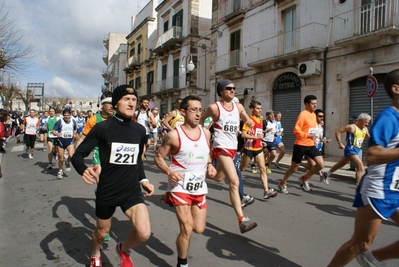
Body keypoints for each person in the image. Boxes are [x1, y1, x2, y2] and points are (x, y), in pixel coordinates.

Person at [71, 84, 154, 267]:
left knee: (144, 232)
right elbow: (78, 154)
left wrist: (144, 179)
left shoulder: (139, 131)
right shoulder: (103, 128)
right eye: (126, 99)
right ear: (116, 103)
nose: (132, 103)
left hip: (131, 190)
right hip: (108, 190)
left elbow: (137, 159)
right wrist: (82, 169)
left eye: (134, 100)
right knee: (101, 233)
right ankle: (95, 252)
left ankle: (123, 249)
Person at [327, 69, 399, 267]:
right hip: (379, 188)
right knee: (360, 243)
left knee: (363, 246)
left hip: (395, 188)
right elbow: (373, 155)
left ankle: (373, 258)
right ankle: (368, 255)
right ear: (396, 89)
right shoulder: (389, 118)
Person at [155, 95, 216, 267]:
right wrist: (168, 170)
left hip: (199, 187)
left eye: (200, 110)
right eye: (193, 110)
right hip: (180, 186)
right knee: (187, 229)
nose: (198, 114)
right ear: (183, 112)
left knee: (199, 228)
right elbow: (159, 158)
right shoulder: (174, 136)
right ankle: (182, 263)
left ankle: (167, 198)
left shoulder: (206, 133)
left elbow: (206, 152)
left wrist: (210, 164)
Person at [200, 79, 257, 234]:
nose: (232, 90)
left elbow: (247, 119)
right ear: (221, 92)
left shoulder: (238, 107)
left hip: (233, 149)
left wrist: (250, 123)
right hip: (221, 147)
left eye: (233, 88)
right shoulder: (214, 107)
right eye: (229, 88)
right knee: (234, 181)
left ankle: (194, 172)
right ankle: (242, 220)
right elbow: (200, 121)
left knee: (218, 178)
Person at [278, 95, 324, 194]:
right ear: (306, 104)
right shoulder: (303, 114)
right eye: (313, 104)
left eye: (316, 103)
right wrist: (307, 135)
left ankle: (304, 178)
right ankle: (282, 183)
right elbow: (296, 130)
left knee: (320, 164)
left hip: (311, 145)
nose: (315, 105)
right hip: (300, 145)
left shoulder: (313, 115)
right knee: (294, 168)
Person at [240, 101, 278, 199]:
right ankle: (233, 175)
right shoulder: (249, 120)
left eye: (260, 108)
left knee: (262, 169)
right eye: (257, 108)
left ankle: (266, 191)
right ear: (252, 109)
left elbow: (258, 133)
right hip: (249, 148)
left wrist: (261, 141)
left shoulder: (260, 120)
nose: (260, 110)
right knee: (242, 169)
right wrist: (257, 138)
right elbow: (243, 135)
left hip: (258, 148)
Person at [322, 113, 370, 185]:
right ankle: (359, 188)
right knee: (360, 167)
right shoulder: (351, 127)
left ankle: (326, 174)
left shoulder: (365, 129)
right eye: (365, 122)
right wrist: (340, 143)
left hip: (358, 149)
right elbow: (338, 132)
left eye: (368, 122)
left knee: (340, 164)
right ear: (360, 120)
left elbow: (368, 138)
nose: (367, 124)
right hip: (351, 149)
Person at [52, 108, 77, 179]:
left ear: (70, 115)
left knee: (72, 155)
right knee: (61, 159)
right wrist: (57, 134)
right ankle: (60, 170)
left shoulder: (73, 121)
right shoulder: (60, 122)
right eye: (65, 115)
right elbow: (53, 131)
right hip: (61, 141)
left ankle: (67, 162)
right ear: (63, 115)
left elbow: (75, 129)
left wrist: (74, 134)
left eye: (68, 115)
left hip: (70, 141)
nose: (66, 116)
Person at [133, 96, 157, 161]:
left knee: (148, 144)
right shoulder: (136, 113)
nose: (146, 104)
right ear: (141, 103)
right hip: (139, 134)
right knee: (142, 149)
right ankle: (140, 162)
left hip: (147, 133)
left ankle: (142, 154)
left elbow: (155, 125)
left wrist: (151, 122)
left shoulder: (149, 113)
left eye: (147, 103)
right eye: (145, 103)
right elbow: (131, 123)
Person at [262, 110, 277, 174]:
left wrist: (275, 136)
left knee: (274, 154)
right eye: (271, 115)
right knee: (261, 155)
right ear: (267, 116)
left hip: (270, 141)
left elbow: (274, 130)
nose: (273, 116)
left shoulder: (274, 122)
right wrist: (266, 131)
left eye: (273, 115)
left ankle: (267, 164)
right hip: (264, 140)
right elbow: (259, 130)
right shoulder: (264, 122)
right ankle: (261, 166)